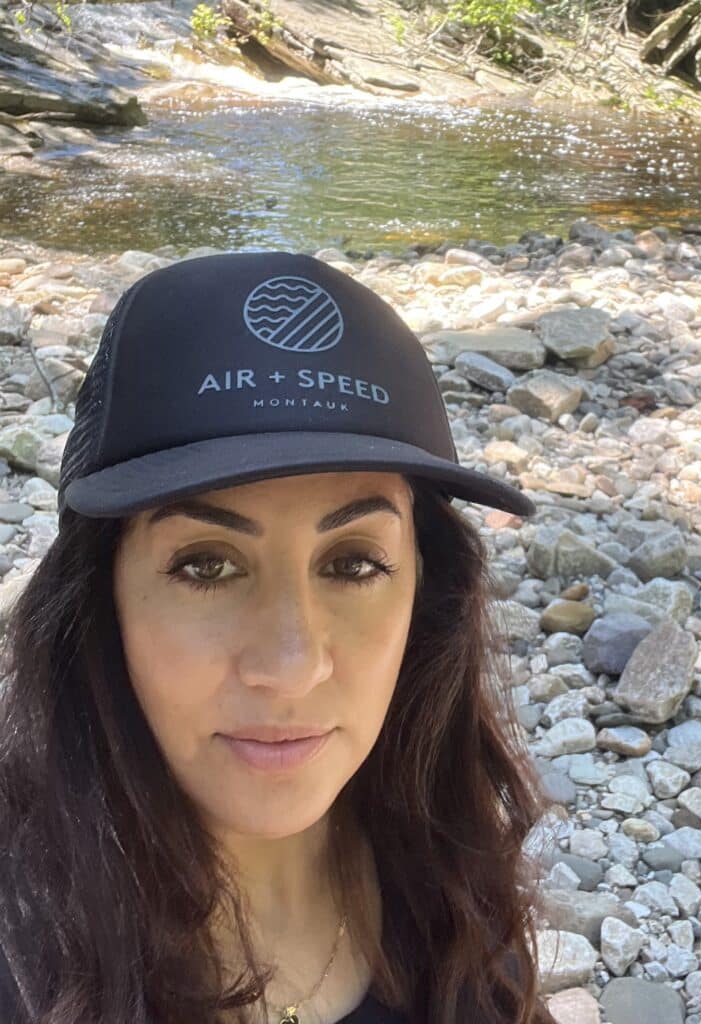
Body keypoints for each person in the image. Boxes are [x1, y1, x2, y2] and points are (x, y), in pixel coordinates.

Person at [0, 253, 556, 1024]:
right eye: (206, 565)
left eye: (354, 564)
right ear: (101, 597)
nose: (291, 668)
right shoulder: (22, 950)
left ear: (428, 597)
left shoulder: (451, 878)